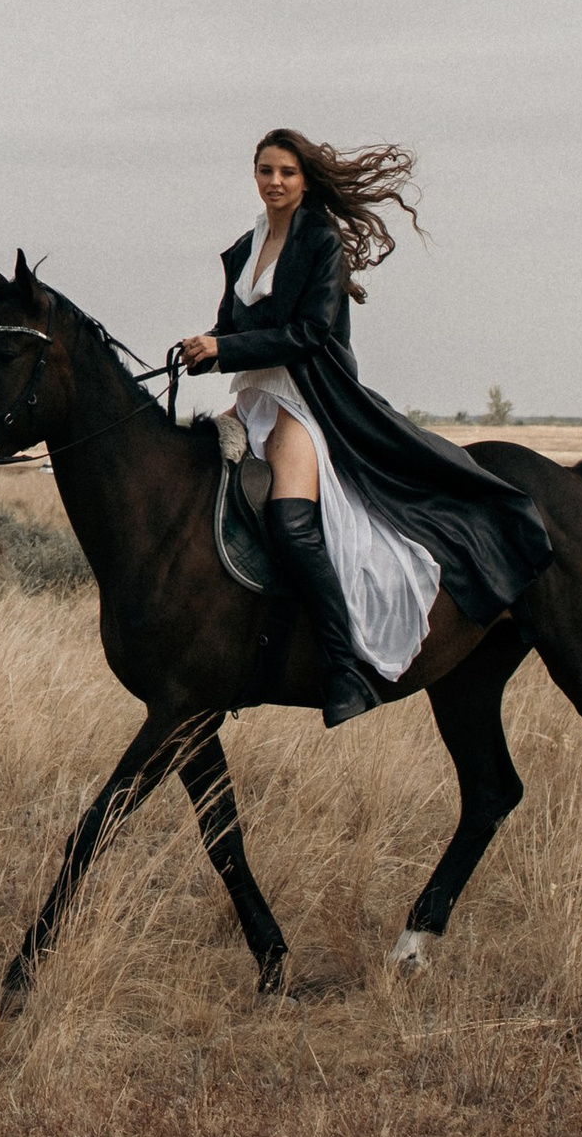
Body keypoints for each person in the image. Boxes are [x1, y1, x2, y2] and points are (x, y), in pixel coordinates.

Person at [177, 128, 554, 725]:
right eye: (266, 171)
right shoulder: (245, 247)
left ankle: (344, 667)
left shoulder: (321, 242)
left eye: (287, 172)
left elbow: (310, 333)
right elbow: (234, 327)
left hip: (308, 398)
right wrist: (208, 349)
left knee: (290, 520)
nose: (275, 182)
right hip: (255, 397)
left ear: (305, 181)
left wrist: (225, 348)